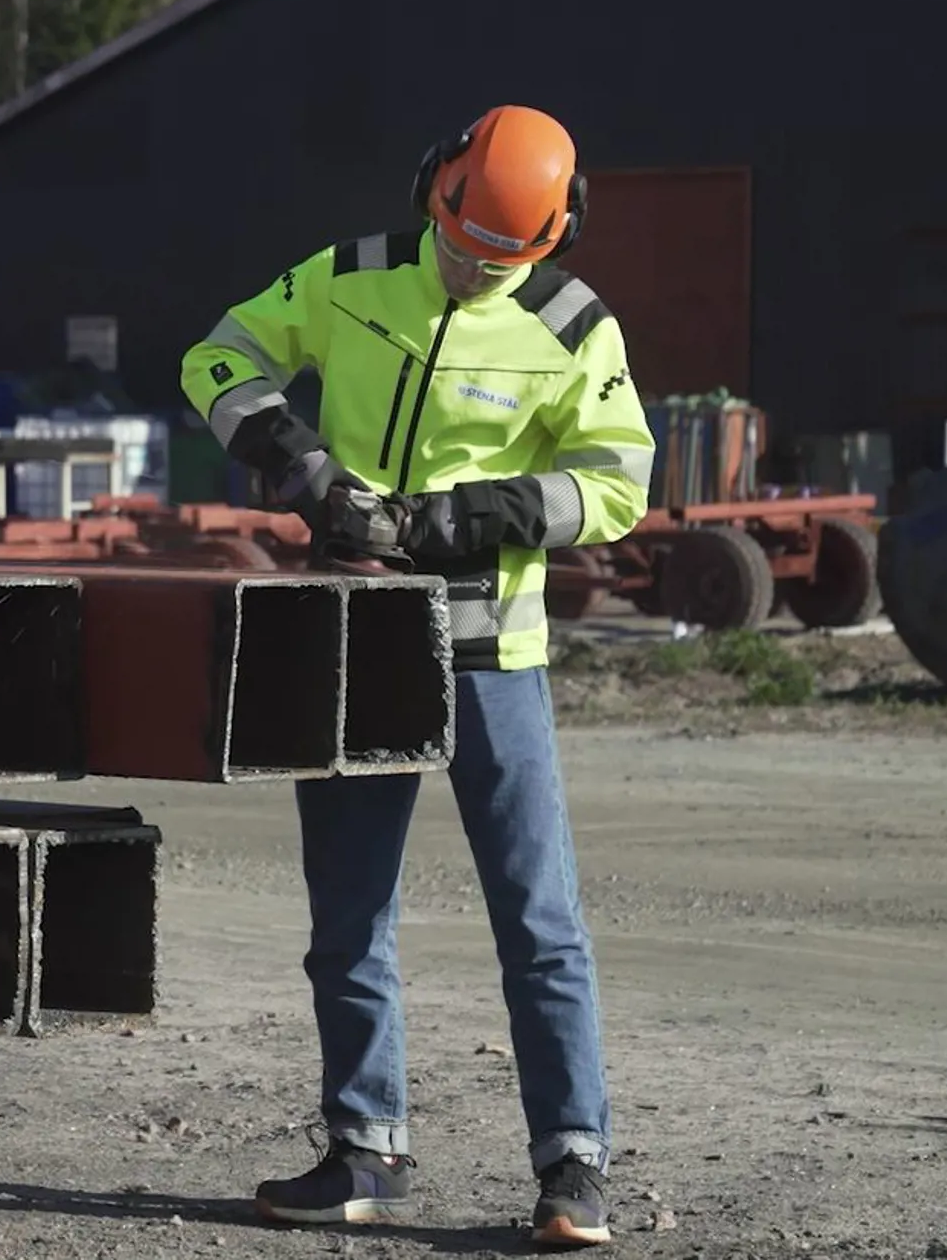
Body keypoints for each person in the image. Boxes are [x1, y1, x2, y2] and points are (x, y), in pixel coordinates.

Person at [179, 105, 655, 1249]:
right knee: (348, 913)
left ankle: (573, 1166)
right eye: (455, 243)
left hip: (492, 653)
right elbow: (216, 359)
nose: (467, 268)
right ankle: (364, 1147)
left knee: (537, 919)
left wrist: (476, 513)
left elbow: (619, 481)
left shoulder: (571, 325)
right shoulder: (349, 277)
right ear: (430, 188)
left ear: (553, 237)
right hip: (355, 638)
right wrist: (300, 464)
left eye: (495, 260)